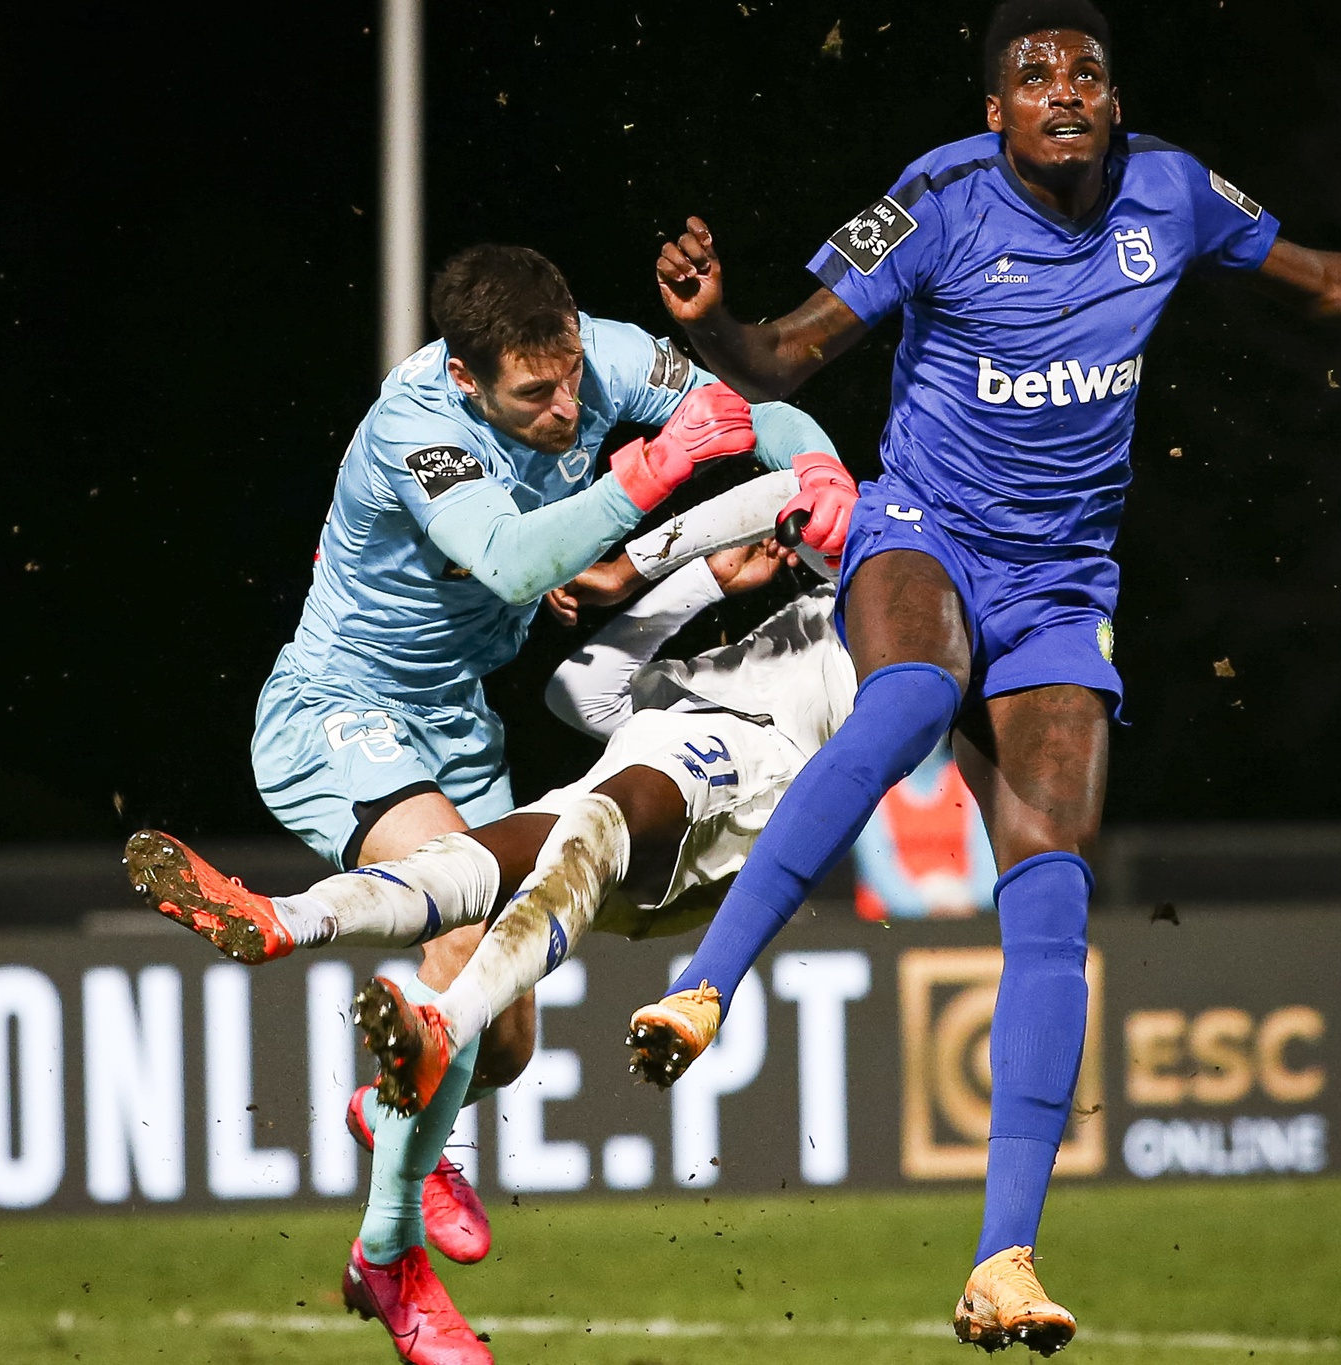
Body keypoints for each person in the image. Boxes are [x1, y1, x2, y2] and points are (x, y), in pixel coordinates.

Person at [630, 0, 1341, 1355]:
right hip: (924, 528)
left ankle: (1003, 1259)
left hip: (1063, 588)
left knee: (1053, 887)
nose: (1066, 89)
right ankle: (709, 985)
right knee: (911, 699)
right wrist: (720, 320)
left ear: (1113, 99)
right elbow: (790, 354)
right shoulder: (936, 196)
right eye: (1033, 74)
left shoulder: (1171, 188)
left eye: (1087, 70)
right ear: (996, 112)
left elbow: (1325, 280)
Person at [160, 240, 845, 1365]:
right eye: (536, 394)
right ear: (468, 378)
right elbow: (516, 560)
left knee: (506, 1029)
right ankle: (390, 1261)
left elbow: (751, 408)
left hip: (458, 727)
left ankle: (390, 1121)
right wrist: (655, 468)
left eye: (573, 373)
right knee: (473, 928)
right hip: (341, 705)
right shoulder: (414, 425)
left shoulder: (595, 360)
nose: (568, 405)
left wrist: (812, 470)